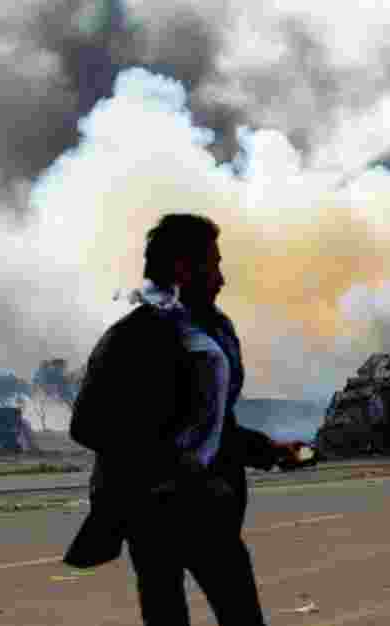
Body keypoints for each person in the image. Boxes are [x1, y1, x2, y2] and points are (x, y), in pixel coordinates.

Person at [67, 213, 304, 625]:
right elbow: (88, 424)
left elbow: (212, 426)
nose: (221, 279)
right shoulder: (133, 337)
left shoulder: (213, 332)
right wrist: (169, 471)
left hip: (210, 509)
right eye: (213, 265)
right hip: (155, 512)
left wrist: (267, 450)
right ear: (182, 268)